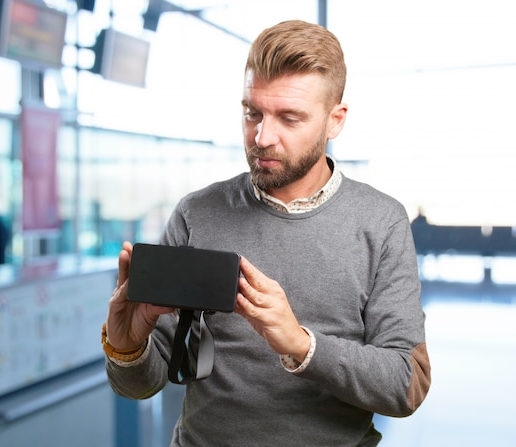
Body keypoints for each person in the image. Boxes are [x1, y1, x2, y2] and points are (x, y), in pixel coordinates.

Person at [104, 20, 431, 446]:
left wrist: (300, 343)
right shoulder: (197, 213)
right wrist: (128, 347)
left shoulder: (381, 222)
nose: (262, 137)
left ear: (336, 120)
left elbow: (406, 384)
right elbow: (140, 385)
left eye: (289, 118)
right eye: (252, 113)